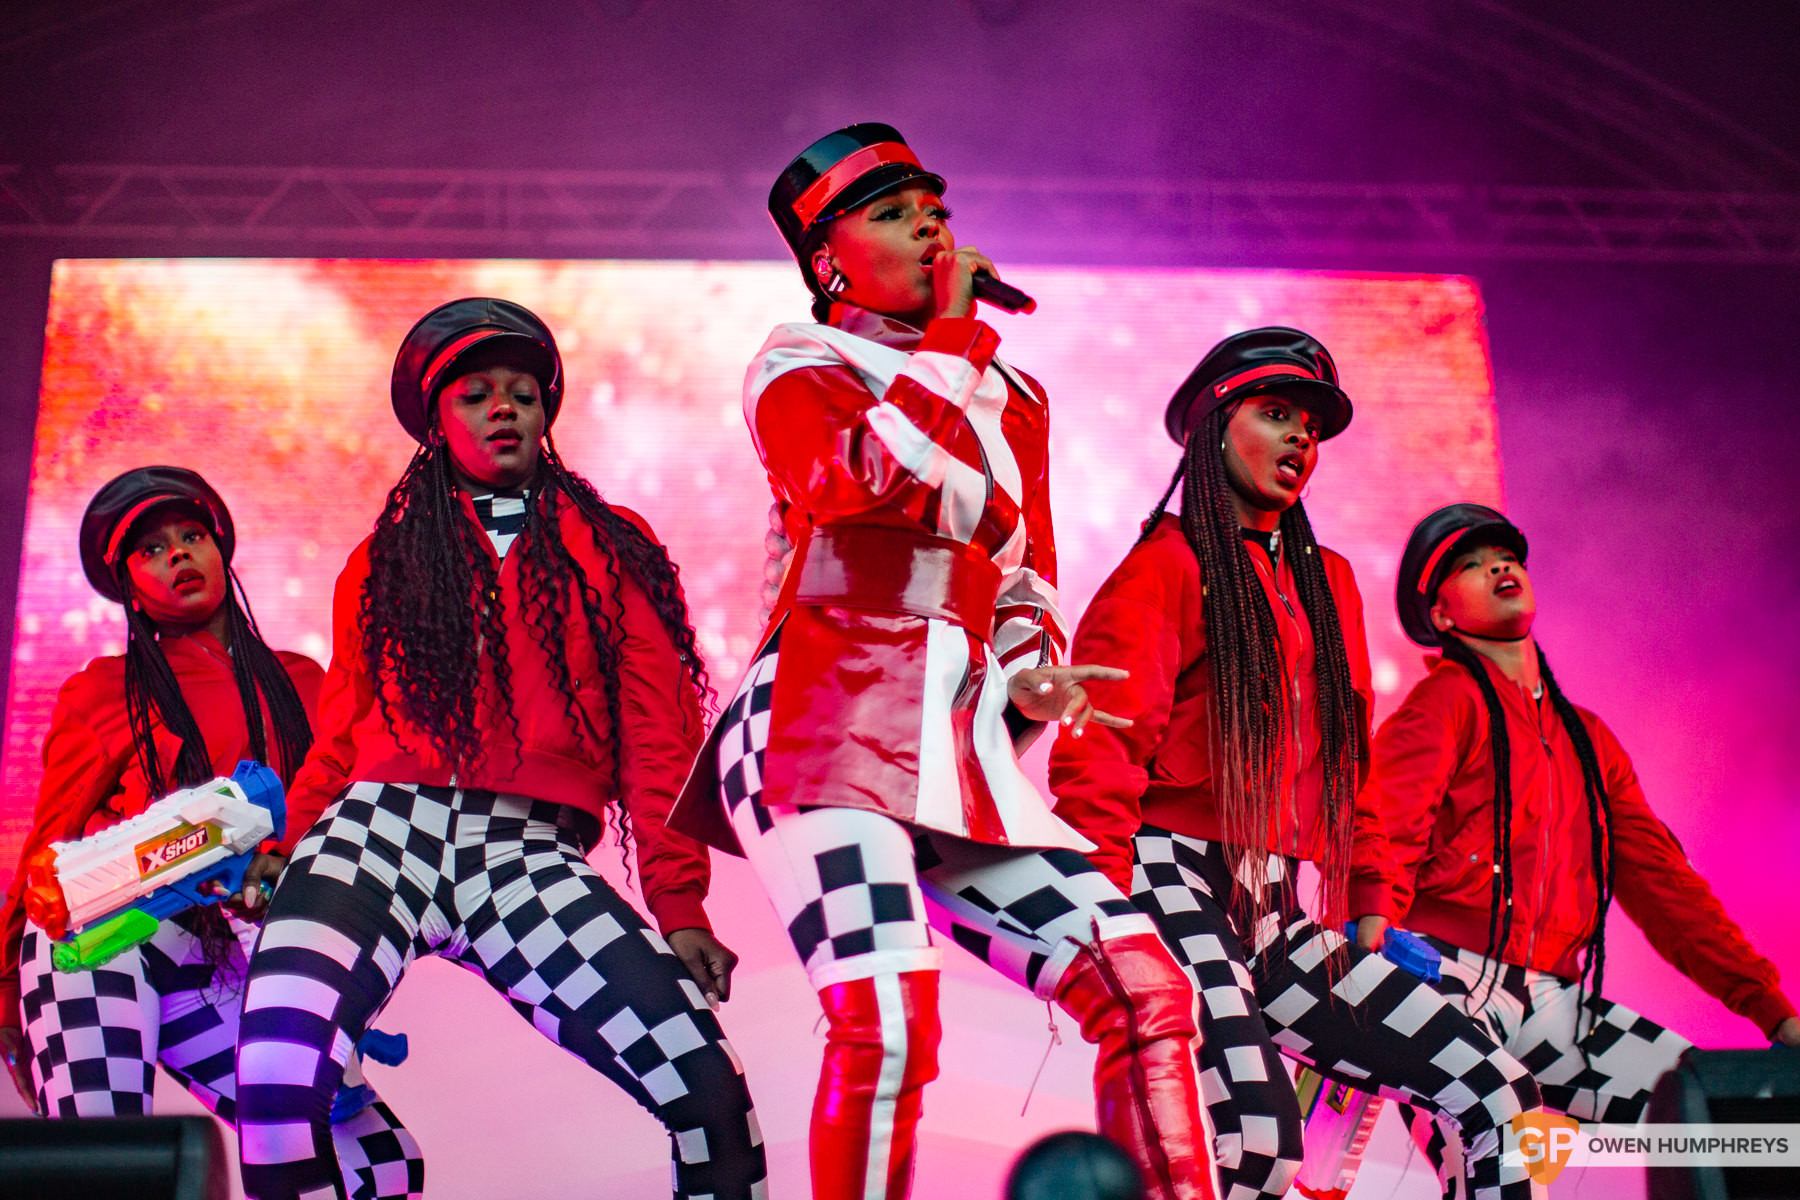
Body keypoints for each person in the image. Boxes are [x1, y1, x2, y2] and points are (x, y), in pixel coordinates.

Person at [669, 124, 1215, 1200]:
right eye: (891, 212)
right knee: (885, 1024)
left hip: (954, 738)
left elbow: (1023, 577)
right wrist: (956, 340)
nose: (930, 225)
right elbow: (860, 480)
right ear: (827, 260)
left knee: (1148, 991)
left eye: (936, 209)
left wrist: (1030, 674)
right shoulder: (801, 358)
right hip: (817, 722)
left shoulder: (1017, 396)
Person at [232, 299, 767, 1200]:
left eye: (523, 393)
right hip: (376, 832)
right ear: (438, 425)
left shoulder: (610, 547)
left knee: (709, 1093)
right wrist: (289, 840)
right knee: (277, 1075)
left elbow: (657, 737)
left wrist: (679, 903)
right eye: (477, 395)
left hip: (525, 854)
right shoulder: (384, 556)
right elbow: (341, 734)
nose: (505, 408)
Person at [1047, 330, 1546, 1200]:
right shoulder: (1161, 568)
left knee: (1502, 1096)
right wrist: (1103, 915)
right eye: (1275, 414)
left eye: (1310, 425)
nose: (1299, 439)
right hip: (1166, 888)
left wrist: (1368, 908)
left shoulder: (1330, 583)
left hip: (1276, 907)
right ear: (1212, 428)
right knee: (1256, 1137)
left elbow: (1349, 771)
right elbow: (1099, 755)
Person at [1350, 503, 1799, 1189]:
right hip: (1444, 981)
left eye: (1505, 556)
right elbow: (1384, 826)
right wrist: (1372, 949)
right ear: (1440, 616)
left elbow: (1665, 888)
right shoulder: (1442, 704)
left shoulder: (1587, 738)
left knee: (1725, 1120)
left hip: (1556, 1000)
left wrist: (1771, 1009)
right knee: (1500, 1151)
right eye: (1469, 565)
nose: (1498, 566)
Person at [0, 466, 421, 1197]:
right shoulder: (102, 691)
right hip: (102, 938)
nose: (178, 556)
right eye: (152, 549)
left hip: (228, 956)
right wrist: (7, 997)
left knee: (377, 1161)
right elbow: (51, 849)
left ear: (221, 549)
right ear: (128, 584)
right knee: (109, 1169)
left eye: (191, 536)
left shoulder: (307, 682)